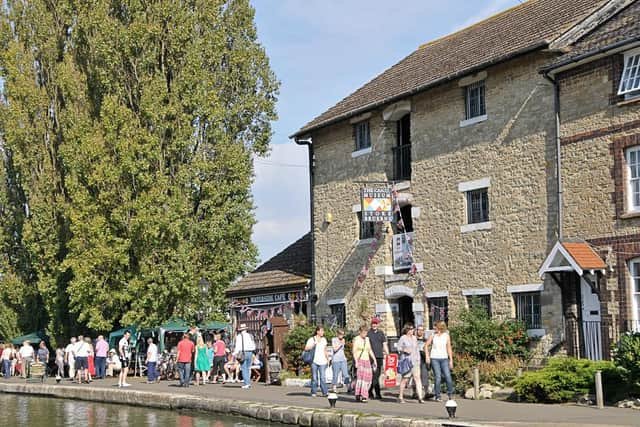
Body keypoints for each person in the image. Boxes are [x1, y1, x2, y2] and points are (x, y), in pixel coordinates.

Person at [425, 320, 454, 402]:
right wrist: (427, 356)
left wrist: (451, 360)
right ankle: (437, 395)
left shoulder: (446, 335)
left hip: (444, 358)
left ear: (440, 327)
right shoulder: (433, 335)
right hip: (434, 358)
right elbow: (426, 345)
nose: (434, 328)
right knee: (438, 377)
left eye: (435, 326)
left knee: (448, 376)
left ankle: (450, 394)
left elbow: (449, 348)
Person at [397, 323, 424, 403]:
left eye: (413, 329)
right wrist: (404, 350)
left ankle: (420, 397)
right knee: (405, 379)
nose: (412, 331)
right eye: (411, 329)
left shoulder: (414, 338)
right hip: (407, 361)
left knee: (417, 378)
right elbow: (398, 347)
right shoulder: (403, 338)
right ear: (407, 330)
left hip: (415, 361)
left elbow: (417, 350)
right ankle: (400, 396)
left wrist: (418, 360)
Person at [353, 325, 376, 402]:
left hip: (367, 361)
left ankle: (363, 393)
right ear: (360, 332)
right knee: (361, 379)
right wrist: (356, 361)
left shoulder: (367, 339)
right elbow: (354, 351)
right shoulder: (357, 339)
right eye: (363, 332)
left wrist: (374, 359)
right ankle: (362, 395)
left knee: (368, 378)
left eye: (366, 332)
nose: (365, 334)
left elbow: (369, 350)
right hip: (360, 361)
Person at [305, 326, 329, 398]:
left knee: (322, 377)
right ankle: (313, 392)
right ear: (317, 331)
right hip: (314, 361)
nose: (323, 332)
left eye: (323, 331)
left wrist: (328, 359)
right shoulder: (312, 339)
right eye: (321, 331)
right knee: (314, 378)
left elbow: (325, 350)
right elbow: (306, 348)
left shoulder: (324, 339)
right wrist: (313, 345)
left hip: (323, 361)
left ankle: (324, 392)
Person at [367, 317, 388, 400]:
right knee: (374, 375)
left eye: (375, 324)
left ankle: (370, 391)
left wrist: (388, 354)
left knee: (377, 375)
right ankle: (377, 393)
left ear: (377, 324)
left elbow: (384, 344)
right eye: (373, 324)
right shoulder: (369, 333)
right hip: (371, 357)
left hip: (379, 356)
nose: (374, 325)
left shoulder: (381, 333)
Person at [232, 324, 256, 389]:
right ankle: (248, 382)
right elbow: (253, 345)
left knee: (244, 368)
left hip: (242, 353)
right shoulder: (250, 335)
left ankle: (247, 383)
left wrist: (234, 354)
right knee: (248, 368)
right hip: (250, 352)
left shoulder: (239, 336)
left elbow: (238, 346)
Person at [331, 329, 351, 393]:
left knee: (346, 374)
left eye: (343, 334)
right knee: (335, 374)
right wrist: (340, 344)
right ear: (337, 334)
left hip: (343, 359)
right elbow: (334, 349)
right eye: (340, 334)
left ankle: (348, 387)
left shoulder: (343, 340)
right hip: (336, 360)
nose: (341, 336)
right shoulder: (334, 339)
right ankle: (334, 388)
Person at [415, 324, 431, 399]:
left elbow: (429, 349)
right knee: (415, 376)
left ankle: (426, 392)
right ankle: (415, 392)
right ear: (416, 330)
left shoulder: (426, 340)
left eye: (421, 330)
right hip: (415, 359)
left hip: (424, 358)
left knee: (424, 375)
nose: (420, 331)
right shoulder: (414, 339)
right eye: (419, 330)